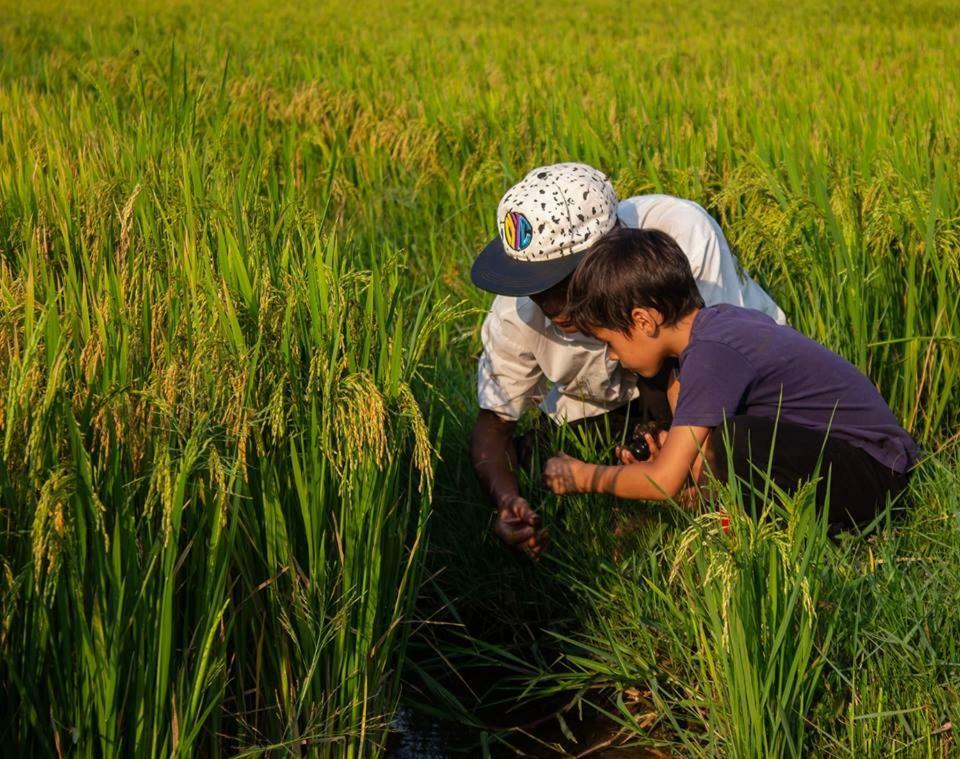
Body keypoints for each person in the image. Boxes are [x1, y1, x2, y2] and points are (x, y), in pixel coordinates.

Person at [470, 163, 785, 557]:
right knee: (539, 462)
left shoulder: (679, 235)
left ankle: (696, 508)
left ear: (609, 250)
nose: (548, 304)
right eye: (533, 286)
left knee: (730, 448)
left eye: (560, 282)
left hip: (723, 385)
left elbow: (710, 366)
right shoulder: (516, 310)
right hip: (609, 405)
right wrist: (507, 502)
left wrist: (683, 463)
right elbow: (494, 425)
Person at [541, 227, 918, 533]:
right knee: (719, 443)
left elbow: (665, 480)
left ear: (643, 320)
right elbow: (687, 469)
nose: (611, 355)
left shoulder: (711, 355)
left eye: (609, 341)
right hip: (862, 465)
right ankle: (747, 528)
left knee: (734, 440)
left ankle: (780, 539)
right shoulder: (716, 329)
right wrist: (686, 470)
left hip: (879, 477)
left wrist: (583, 476)